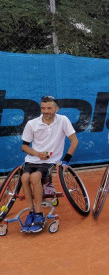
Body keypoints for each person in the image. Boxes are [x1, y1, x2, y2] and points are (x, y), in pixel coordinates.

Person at [21, 95, 78, 233]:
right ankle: (31, 212)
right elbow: (24, 147)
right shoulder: (32, 123)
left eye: (49, 108)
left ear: (56, 109)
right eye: (43, 108)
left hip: (51, 160)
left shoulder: (63, 120)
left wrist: (66, 160)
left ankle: (39, 213)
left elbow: (74, 141)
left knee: (35, 177)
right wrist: (36, 153)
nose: (45, 111)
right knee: (24, 178)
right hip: (33, 158)